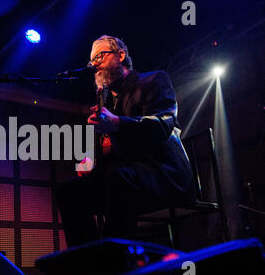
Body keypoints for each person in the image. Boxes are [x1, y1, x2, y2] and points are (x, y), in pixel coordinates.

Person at [56, 35, 196, 247]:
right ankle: (89, 262)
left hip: (162, 174)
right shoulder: (108, 102)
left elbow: (163, 125)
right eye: (92, 61)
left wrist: (118, 124)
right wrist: (90, 159)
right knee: (69, 191)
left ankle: (117, 264)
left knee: (117, 179)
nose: (95, 65)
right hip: (127, 175)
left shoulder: (154, 80)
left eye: (100, 57)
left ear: (120, 55)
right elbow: (111, 149)